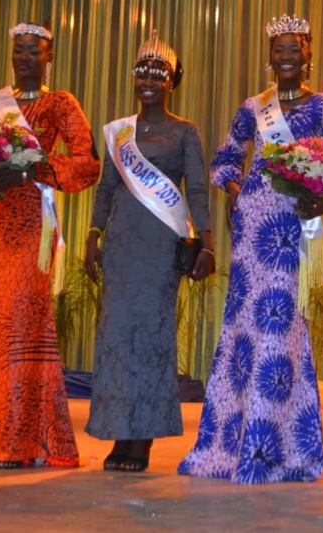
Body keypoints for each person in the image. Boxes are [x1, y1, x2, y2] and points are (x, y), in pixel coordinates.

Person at [178, 14, 323, 484]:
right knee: (244, 325)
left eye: (293, 48)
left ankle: (274, 447)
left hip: (288, 228)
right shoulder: (252, 107)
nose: (285, 56)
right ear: (269, 57)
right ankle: (231, 443)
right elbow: (222, 160)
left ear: (308, 55)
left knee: (280, 325)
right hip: (251, 227)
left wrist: (321, 199)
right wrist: (236, 189)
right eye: (278, 49)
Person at [0, 22, 100, 468]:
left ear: (49, 56)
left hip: (32, 225)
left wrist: (31, 169)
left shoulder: (61, 103)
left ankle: (20, 440)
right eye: (18, 50)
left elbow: (86, 165)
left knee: (22, 321)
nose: (24, 58)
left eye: (33, 51)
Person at [84, 32, 215, 472]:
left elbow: (196, 189)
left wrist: (207, 244)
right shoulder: (120, 132)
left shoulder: (185, 131)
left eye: (159, 73)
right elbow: (106, 188)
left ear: (173, 81)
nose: (149, 79)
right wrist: (92, 235)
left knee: (151, 339)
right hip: (121, 246)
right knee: (117, 340)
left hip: (160, 248)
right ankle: (118, 433)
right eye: (143, 71)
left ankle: (142, 439)